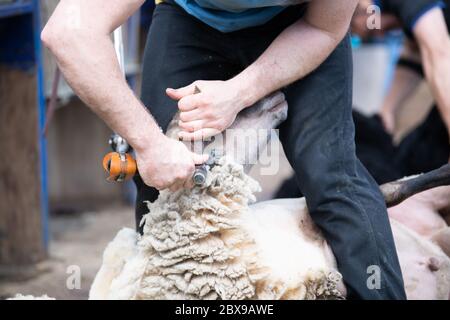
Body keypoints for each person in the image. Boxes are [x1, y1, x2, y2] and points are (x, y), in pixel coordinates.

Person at [41, 0, 406, 299]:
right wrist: (148, 144)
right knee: (161, 192)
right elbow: (69, 32)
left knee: (331, 174)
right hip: (190, 18)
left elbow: (323, 28)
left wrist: (237, 93)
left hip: (302, 25)